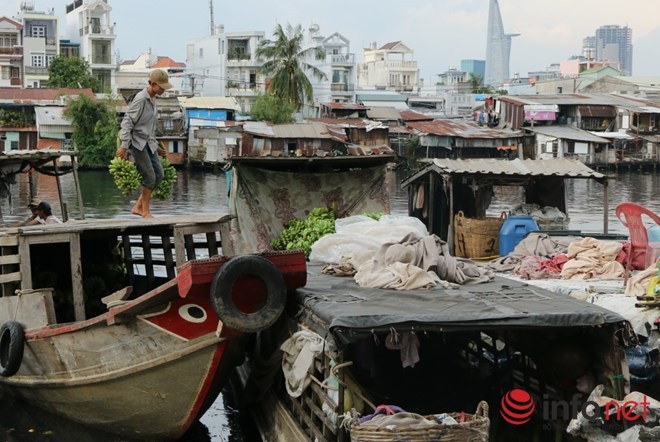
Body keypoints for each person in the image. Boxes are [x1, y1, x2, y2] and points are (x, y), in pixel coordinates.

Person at [116, 69, 172, 218]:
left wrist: (157, 147)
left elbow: (150, 128)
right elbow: (127, 122)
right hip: (137, 143)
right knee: (149, 177)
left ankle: (137, 206)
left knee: (159, 175)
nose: (163, 90)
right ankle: (145, 211)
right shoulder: (141, 99)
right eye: (161, 87)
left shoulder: (154, 100)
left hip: (148, 143)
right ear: (153, 84)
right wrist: (124, 145)